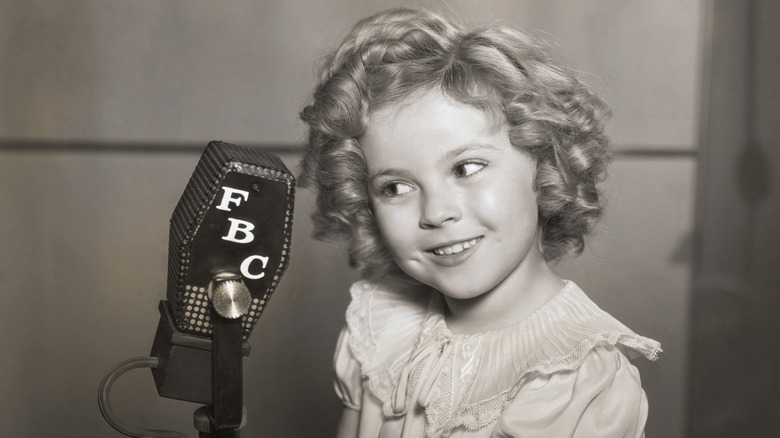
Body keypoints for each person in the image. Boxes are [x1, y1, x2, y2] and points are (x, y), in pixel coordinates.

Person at [299, 7, 661, 438]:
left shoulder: (581, 380)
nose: (435, 212)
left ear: (545, 163)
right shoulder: (379, 330)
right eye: (395, 187)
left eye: (466, 168)